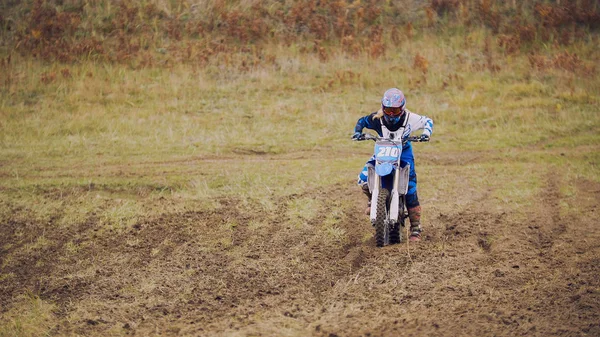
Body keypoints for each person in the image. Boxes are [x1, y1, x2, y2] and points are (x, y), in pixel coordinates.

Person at [351, 88, 433, 242]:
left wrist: (426, 134)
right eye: (388, 110)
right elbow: (362, 121)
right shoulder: (377, 119)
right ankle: (371, 199)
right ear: (383, 108)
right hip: (382, 151)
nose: (392, 114)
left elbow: (427, 121)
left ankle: (416, 228)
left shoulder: (410, 118)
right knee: (363, 178)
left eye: (395, 110)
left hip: (404, 153)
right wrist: (357, 132)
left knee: (410, 187)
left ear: (402, 109)